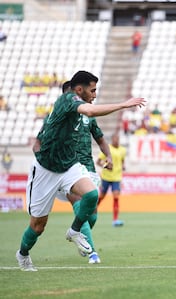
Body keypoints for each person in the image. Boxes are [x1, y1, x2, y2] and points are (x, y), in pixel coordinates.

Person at [15, 70, 145, 271]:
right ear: (78, 90)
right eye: (92, 90)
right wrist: (123, 104)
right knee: (38, 226)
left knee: (92, 194)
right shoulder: (68, 100)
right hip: (45, 170)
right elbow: (90, 111)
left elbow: (94, 126)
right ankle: (23, 254)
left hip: (69, 165)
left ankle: (75, 231)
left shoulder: (78, 110)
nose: (94, 94)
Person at [32, 80, 111, 264]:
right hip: (68, 167)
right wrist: (44, 162)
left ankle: (77, 233)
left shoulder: (87, 116)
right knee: (78, 205)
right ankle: (92, 253)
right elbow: (38, 143)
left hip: (88, 168)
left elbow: (99, 138)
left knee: (91, 215)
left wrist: (109, 156)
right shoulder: (55, 117)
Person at [97, 133, 127, 226]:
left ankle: (115, 220)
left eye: (117, 139)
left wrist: (123, 166)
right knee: (101, 197)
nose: (116, 140)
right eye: (115, 139)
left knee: (116, 197)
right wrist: (105, 166)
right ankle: (91, 212)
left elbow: (122, 161)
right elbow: (98, 162)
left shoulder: (123, 150)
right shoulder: (107, 149)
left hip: (117, 178)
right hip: (106, 177)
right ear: (112, 139)